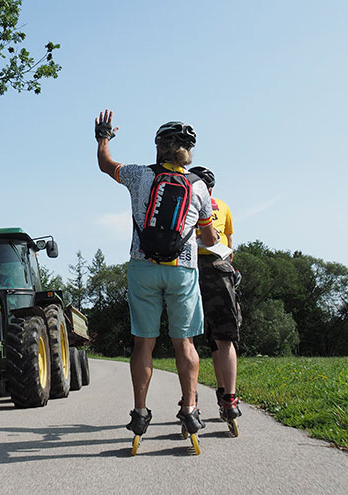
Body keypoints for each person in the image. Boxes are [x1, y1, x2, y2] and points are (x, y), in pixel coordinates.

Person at [94, 109, 219, 438]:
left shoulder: (139, 175)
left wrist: (103, 137)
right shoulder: (199, 187)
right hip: (182, 271)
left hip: (143, 267)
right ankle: (190, 411)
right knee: (185, 344)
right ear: (189, 153)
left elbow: (106, 164)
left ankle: (139, 413)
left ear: (158, 148)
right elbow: (208, 238)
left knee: (143, 345)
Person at [189, 166, 243, 421]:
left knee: (188, 338)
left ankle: (190, 401)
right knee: (225, 337)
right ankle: (228, 398)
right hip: (220, 268)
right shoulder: (223, 206)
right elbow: (230, 245)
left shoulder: (184, 201)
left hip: (189, 269)